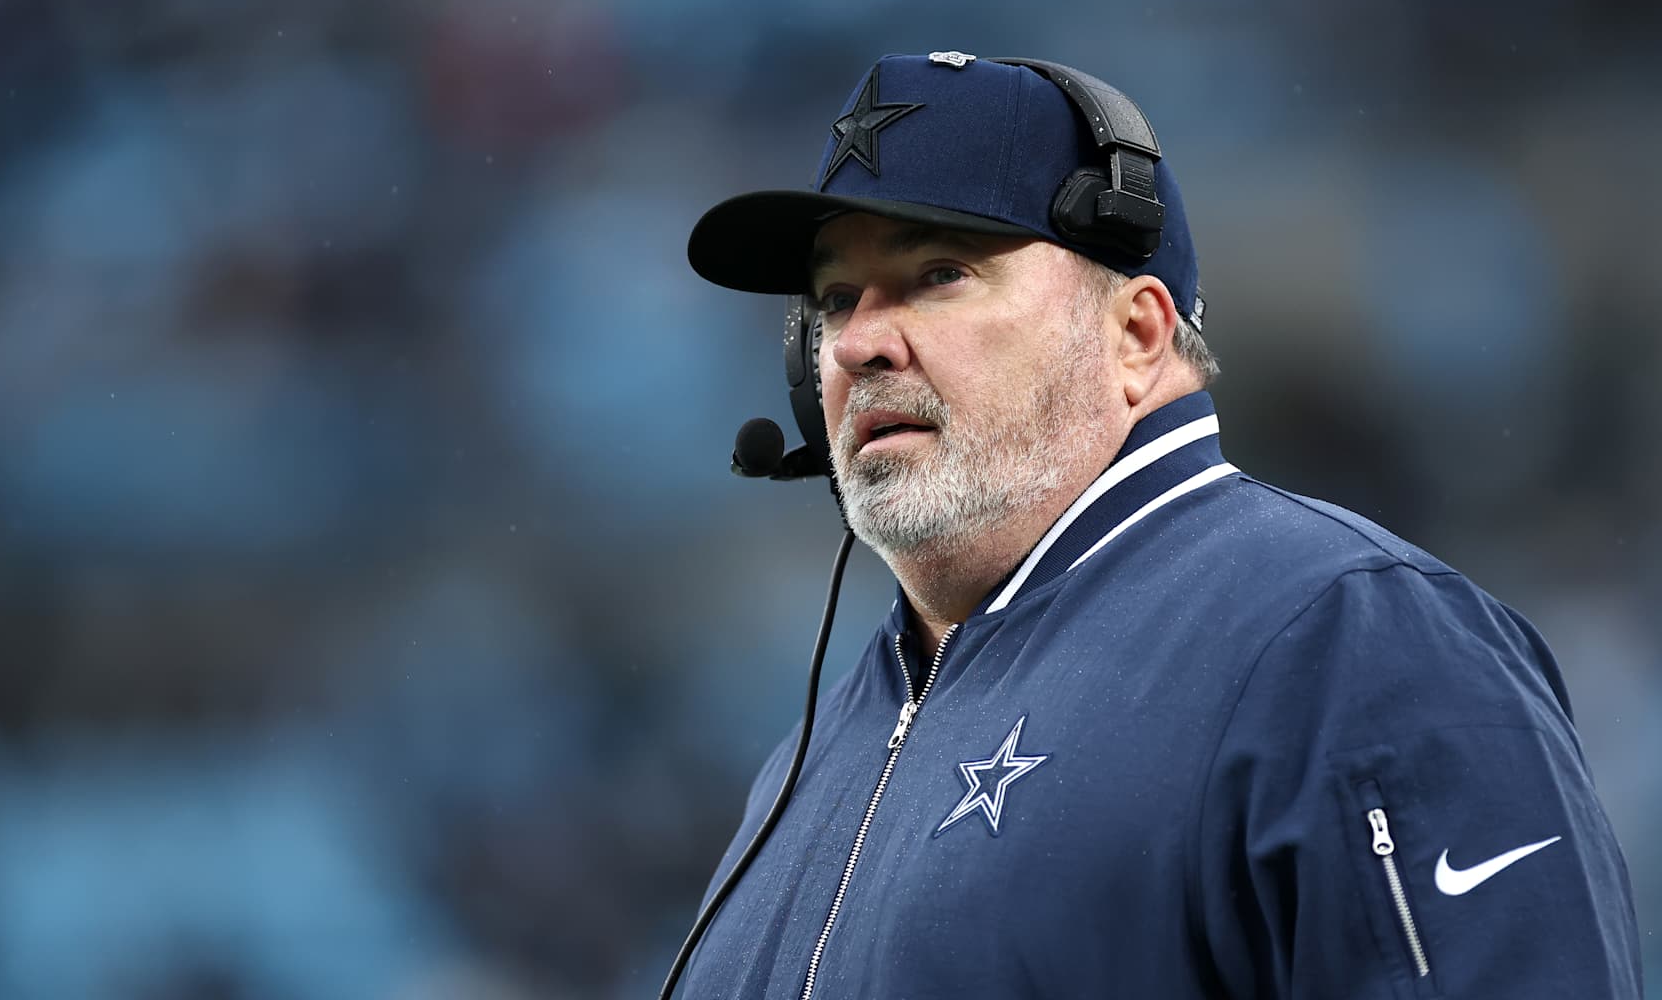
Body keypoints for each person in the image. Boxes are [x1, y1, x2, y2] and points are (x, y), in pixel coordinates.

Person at [675, 52, 1643, 998]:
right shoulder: (811, 757)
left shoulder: (1349, 640)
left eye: (938, 274)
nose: (859, 341)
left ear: (1136, 334)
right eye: (836, 298)